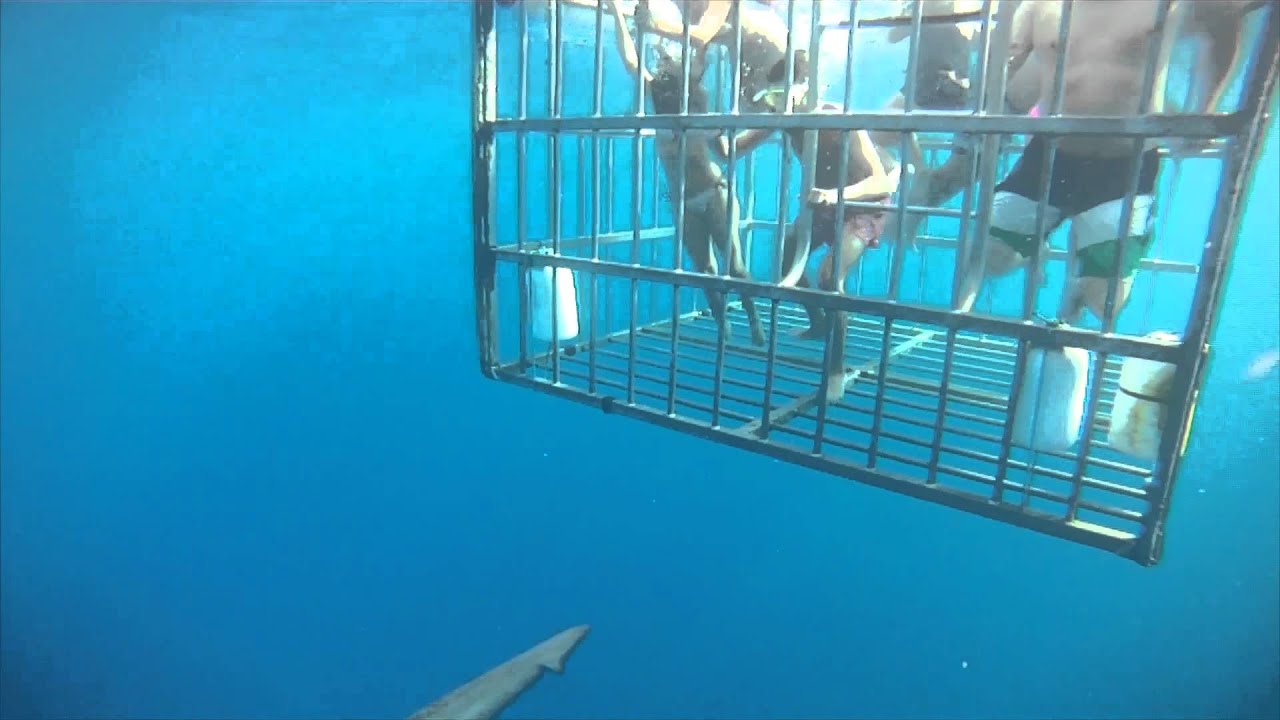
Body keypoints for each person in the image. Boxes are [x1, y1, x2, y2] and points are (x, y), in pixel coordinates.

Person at [959, 0, 1253, 325]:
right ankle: (1039, 244)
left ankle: (1077, 285)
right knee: (989, 260)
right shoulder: (1038, 5)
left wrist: (1204, 111)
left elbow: (1219, 25)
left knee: (1107, 303)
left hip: (1126, 165)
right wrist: (989, 116)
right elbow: (1004, 60)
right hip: (1048, 156)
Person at [720, 52, 902, 402]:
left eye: (778, 98)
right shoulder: (784, 118)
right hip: (824, 202)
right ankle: (819, 324)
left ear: (803, 90)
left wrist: (836, 195)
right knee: (787, 258)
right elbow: (729, 150)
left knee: (829, 279)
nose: (774, 108)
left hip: (863, 204)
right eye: (769, 100)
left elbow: (883, 182)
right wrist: (701, 125)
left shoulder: (839, 119)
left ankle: (835, 369)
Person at [607, 0, 768, 345]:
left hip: (715, 192)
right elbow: (630, 58)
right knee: (706, 270)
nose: (662, 62)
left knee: (735, 268)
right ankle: (723, 324)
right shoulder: (655, 96)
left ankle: (754, 320)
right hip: (681, 200)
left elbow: (700, 53)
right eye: (660, 59)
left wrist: (679, 31)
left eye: (668, 59)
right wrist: (616, 12)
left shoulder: (694, 98)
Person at [633, 0, 789, 113]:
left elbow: (701, 37)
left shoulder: (719, 4)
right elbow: (696, 68)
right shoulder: (705, 18)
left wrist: (655, 25)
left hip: (785, 70)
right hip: (768, 78)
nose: (680, 6)